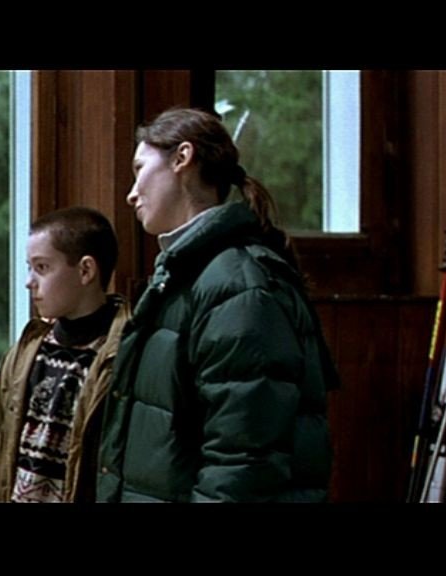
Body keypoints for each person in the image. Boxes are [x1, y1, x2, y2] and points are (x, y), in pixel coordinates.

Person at [97, 107, 340, 502]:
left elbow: (244, 461)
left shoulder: (237, 286)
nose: (131, 192)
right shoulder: (184, 274)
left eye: (140, 169)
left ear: (182, 158)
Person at [0, 207, 131, 502]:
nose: (29, 281)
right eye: (29, 267)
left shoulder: (124, 353)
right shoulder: (27, 351)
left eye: (42, 267)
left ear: (86, 271)